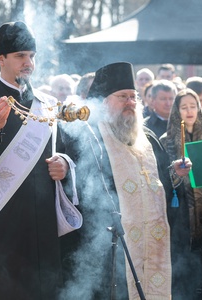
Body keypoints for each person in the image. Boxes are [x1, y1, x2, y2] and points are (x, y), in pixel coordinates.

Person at [0, 21, 74, 299]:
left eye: (31, 56)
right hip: (1, 235)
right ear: (1, 59)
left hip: (44, 232)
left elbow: (68, 151)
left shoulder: (46, 105)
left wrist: (65, 164)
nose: (28, 62)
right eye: (20, 56)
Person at [60, 62, 191, 299]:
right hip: (111, 246)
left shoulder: (147, 138)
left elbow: (160, 183)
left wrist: (175, 174)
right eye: (123, 97)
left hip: (152, 243)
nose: (130, 102)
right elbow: (80, 190)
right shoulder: (90, 138)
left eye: (133, 97)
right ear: (103, 102)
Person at [159, 88, 202, 298]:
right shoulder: (166, 140)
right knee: (184, 269)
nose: (189, 111)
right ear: (177, 111)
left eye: (193, 106)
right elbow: (162, 179)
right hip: (180, 212)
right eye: (184, 107)